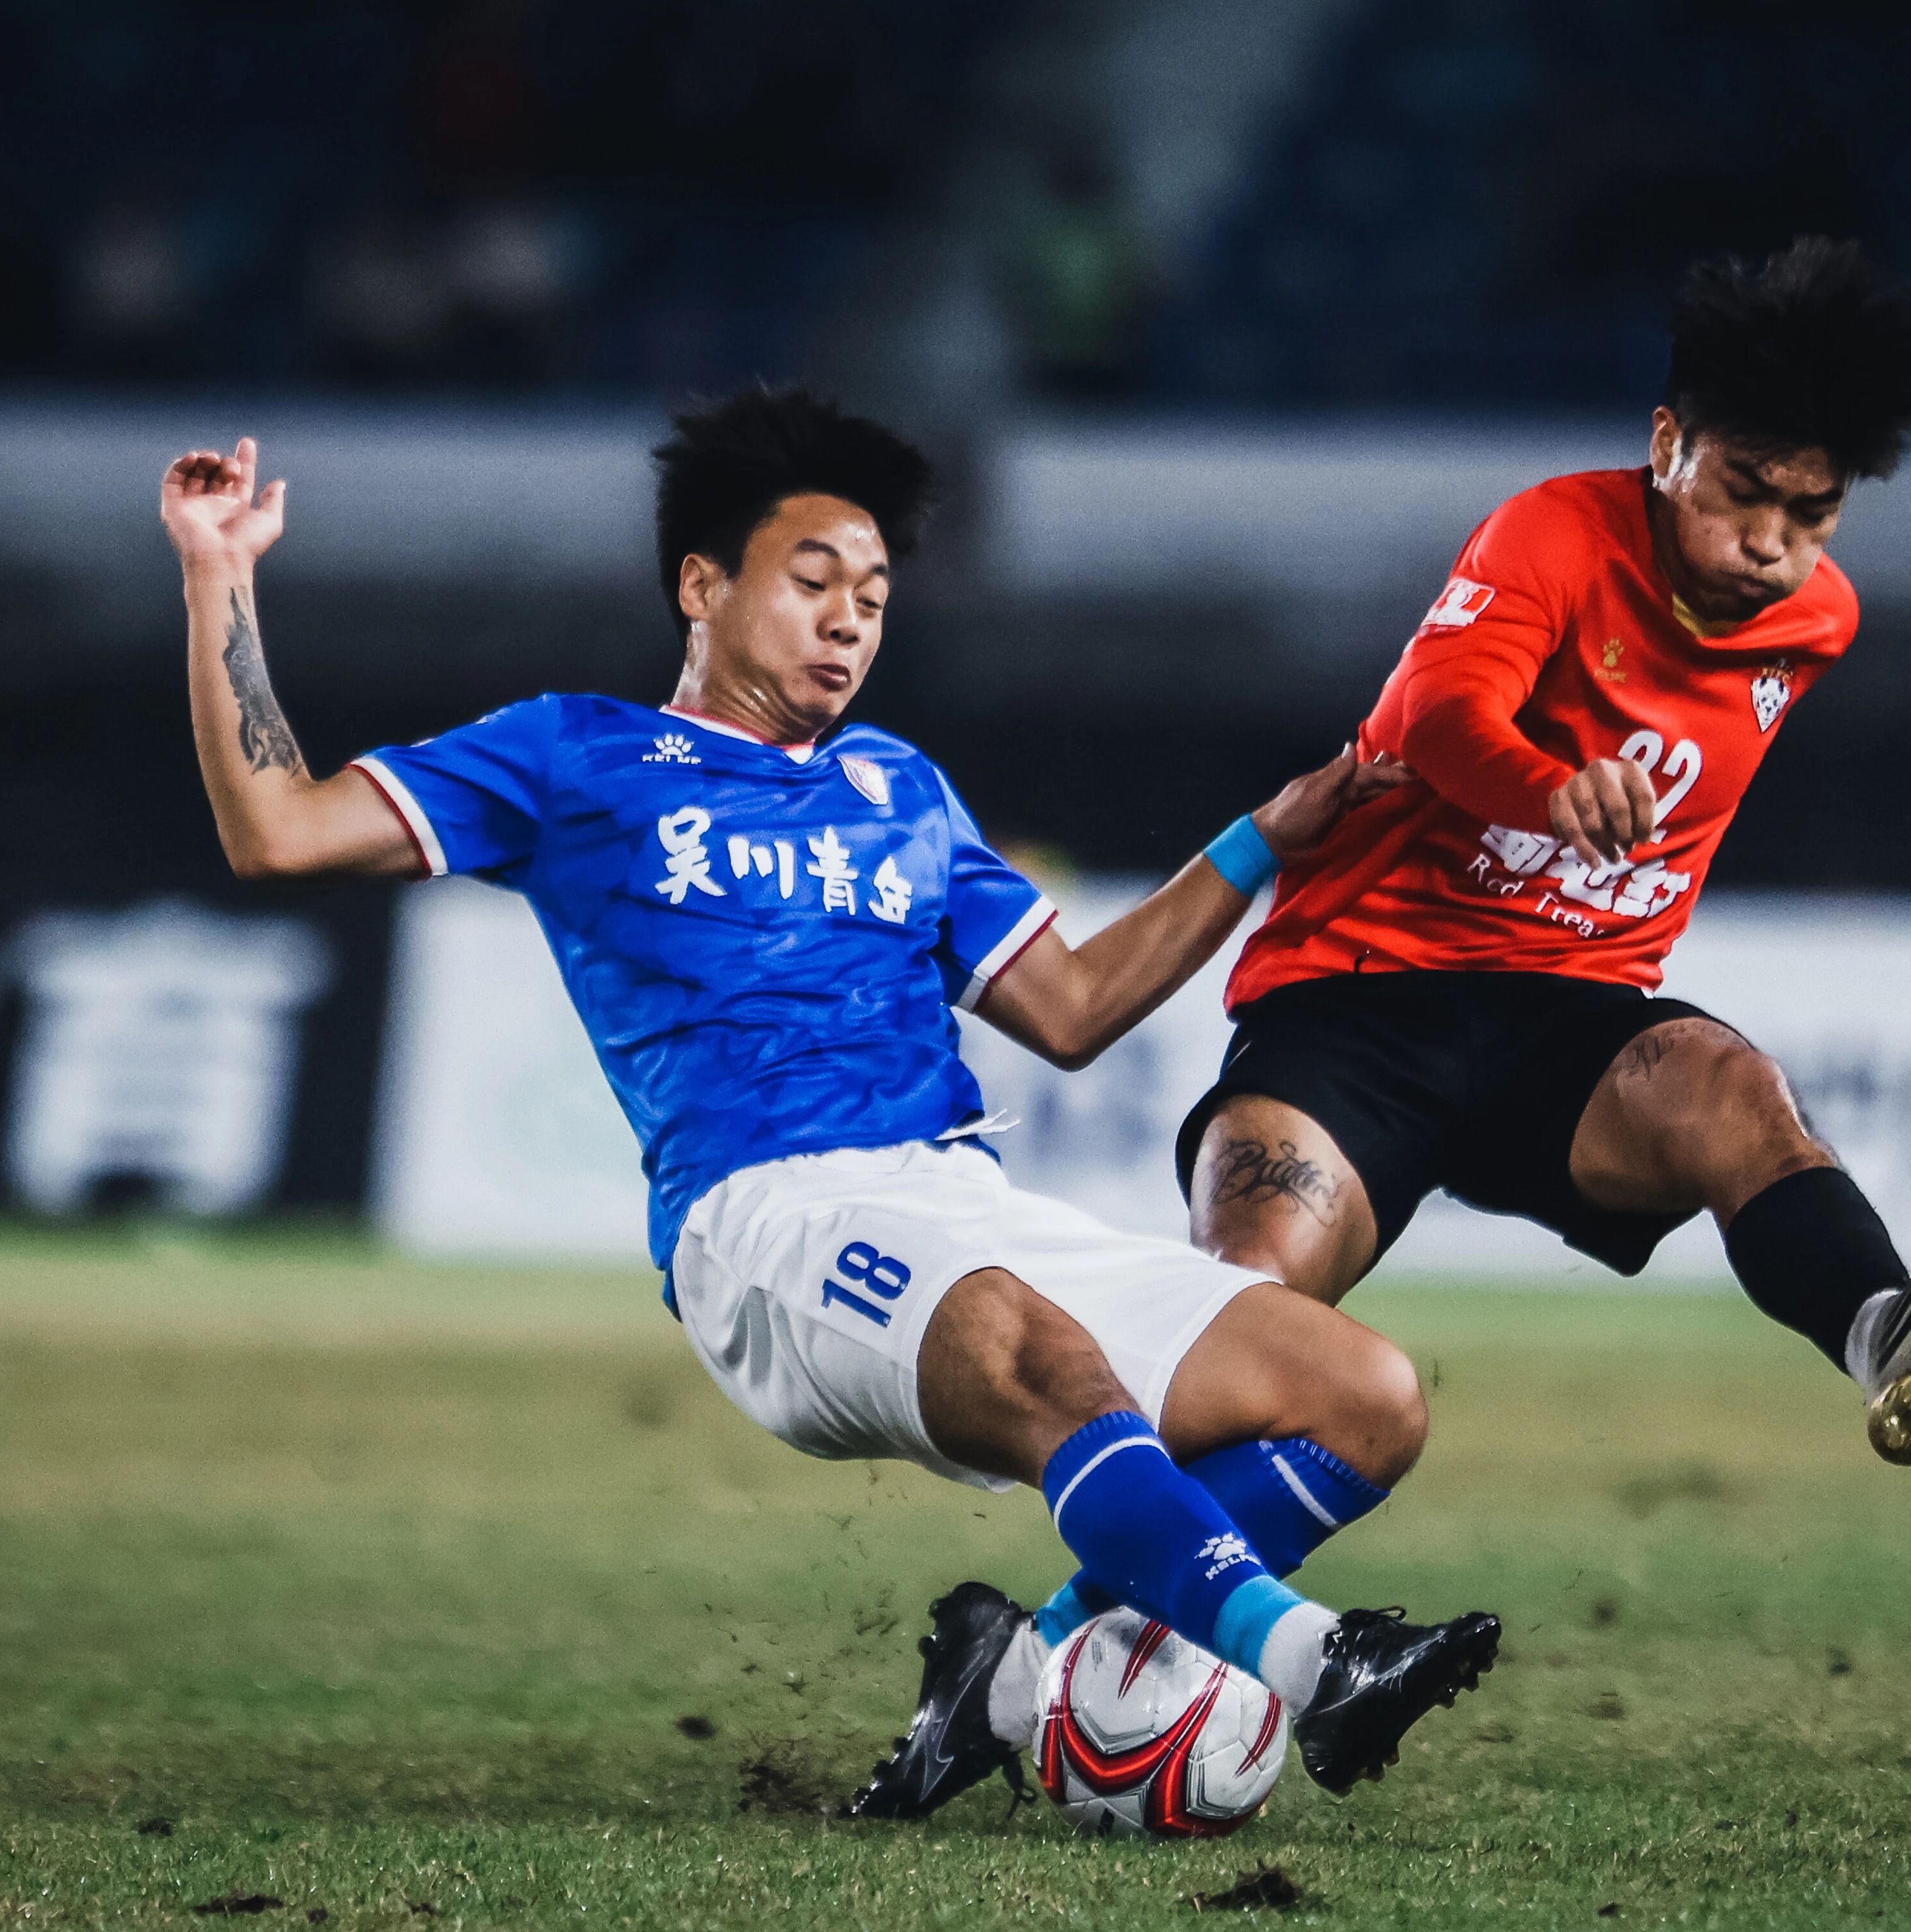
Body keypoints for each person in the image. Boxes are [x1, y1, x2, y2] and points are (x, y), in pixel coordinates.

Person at [156, 386, 1499, 1824]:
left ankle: (1008, 1677)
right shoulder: (572, 756)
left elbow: (1074, 1009)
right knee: (1038, 1351)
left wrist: (1259, 842)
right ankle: (1317, 1665)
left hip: (958, 1197)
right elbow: (277, 829)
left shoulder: (898, 787)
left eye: (873, 597)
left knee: (1365, 1398)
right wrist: (218, 572)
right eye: (813, 583)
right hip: (766, 1222)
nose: (850, 621)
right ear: (702, 587)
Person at [1010, 238, 1911, 1649]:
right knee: (1250, 1321)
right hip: (1359, 1001)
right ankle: (1043, 1647)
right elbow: (1441, 717)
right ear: (1667, 445)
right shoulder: (1549, 536)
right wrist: (1551, 789)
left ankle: (1883, 1335)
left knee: (1735, 1093)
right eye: (1744, 492)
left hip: (1568, 1024)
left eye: (1814, 513)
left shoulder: (1818, 623)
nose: (1773, 545)